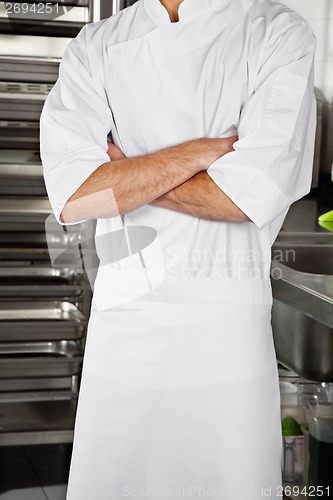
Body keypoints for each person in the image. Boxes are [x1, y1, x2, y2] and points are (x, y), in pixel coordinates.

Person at [40, 0, 316, 498]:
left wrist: (127, 175)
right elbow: (76, 195)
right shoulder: (95, 46)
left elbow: (244, 194)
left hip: (225, 337)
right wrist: (200, 154)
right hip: (124, 332)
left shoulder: (276, 32)